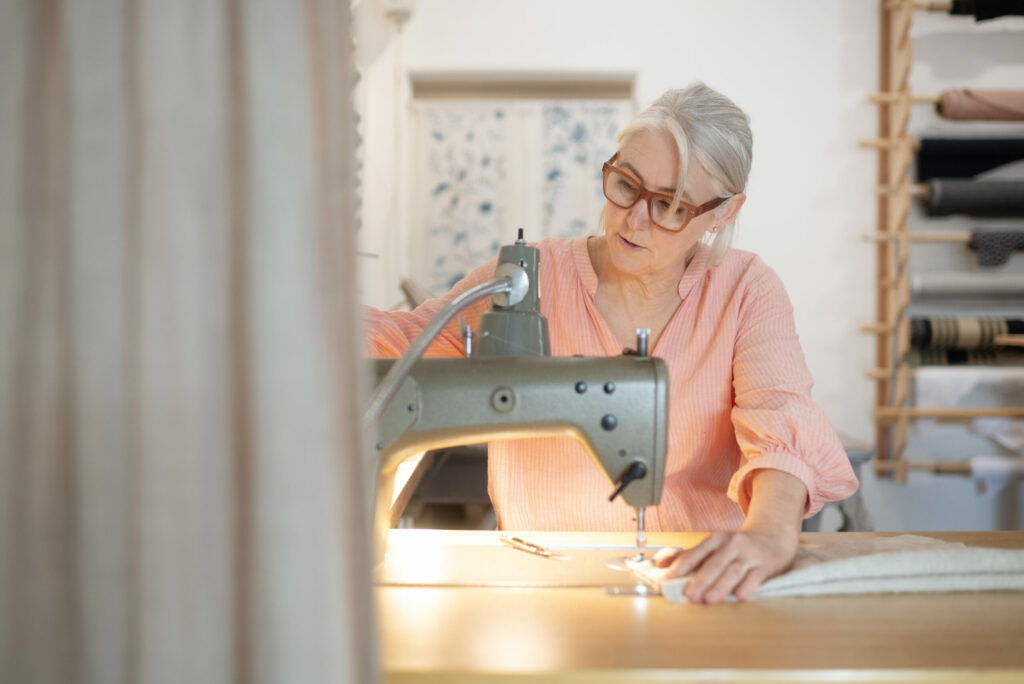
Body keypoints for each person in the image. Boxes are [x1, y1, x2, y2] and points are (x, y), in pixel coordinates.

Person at [364, 82, 858, 603]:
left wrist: (770, 532)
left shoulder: (745, 291)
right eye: (626, 184)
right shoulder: (527, 279)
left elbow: (781, 417)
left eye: (670, 206)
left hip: (700, 584)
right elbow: (403, 346)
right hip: (541, 587)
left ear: (723, 214)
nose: (635, 218)